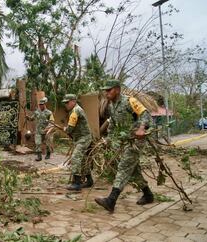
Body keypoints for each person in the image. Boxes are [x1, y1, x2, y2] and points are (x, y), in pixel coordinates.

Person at [95, 79, 154, 212]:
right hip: (124, 141)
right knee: (133, 170)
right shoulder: (111, 106)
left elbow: (145, 114)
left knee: (124, 166)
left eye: (109, 90)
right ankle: (148, 194)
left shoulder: (130, 101)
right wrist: (108, 140)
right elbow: (113, 126)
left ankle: (111, 200)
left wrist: (142, 128)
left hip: (136, 141)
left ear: (117, 89)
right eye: (105, 90)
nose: (106, 92)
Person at [62, 94, 94, 191]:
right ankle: (89, 180)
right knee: (83, 159)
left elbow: (70, 129)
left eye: (67, 102)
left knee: (75, 157)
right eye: (65, 103)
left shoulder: (75, 111)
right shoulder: (75, 110)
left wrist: (65, 129)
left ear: (73, 101)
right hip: (83, 138)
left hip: (84, 138)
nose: (66, 105)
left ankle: (77, 183)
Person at [26, 97, 55, 161]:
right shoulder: (36, 112)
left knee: (48, 144)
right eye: (40, 105)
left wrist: (48, 128)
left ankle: (48, 153)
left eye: (42, 104)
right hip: (38, 131)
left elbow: (52, 122)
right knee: (38, 143)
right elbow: (32, 119)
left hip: (46, 131)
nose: (41, 106)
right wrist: (27, 117)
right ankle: (39, 156)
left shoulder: (49, 113)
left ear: (45, 105)